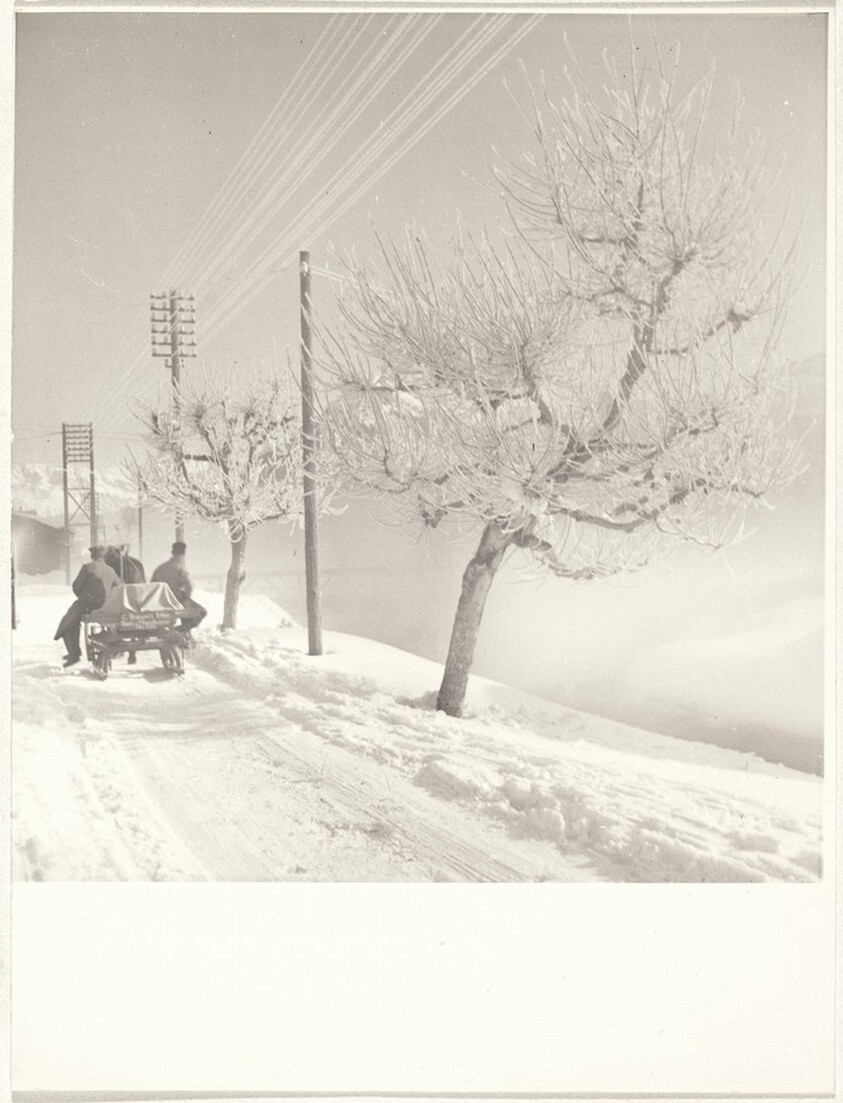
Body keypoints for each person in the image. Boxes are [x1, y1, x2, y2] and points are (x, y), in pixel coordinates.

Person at [54, 545, 120, 667]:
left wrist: (84, 596)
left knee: (68, 622)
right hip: (106, 605)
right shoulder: (110, 570)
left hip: (88, 604)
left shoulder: (87, 567)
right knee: (71, 619)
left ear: (92, 555)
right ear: (103, 556)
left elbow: (76, 587)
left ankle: (74, 654)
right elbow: (118, 586)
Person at [151, 541, 207, 633]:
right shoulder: (180, 567)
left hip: (161, 601)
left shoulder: (160, 568)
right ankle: (181, 630)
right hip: (177, 599)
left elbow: (152, 585)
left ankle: (182, 631)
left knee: (187, 608)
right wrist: (186, 598)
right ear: (183, 554)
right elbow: (189, 586)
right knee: (202, 612)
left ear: (172, 552)